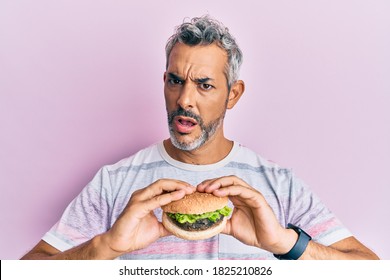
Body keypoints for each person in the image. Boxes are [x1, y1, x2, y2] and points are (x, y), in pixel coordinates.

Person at [21, 15, 378, 260]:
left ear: (233, 94)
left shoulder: (279, 184)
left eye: (205, 85)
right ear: (165, 83)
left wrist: (286, 242)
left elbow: (370, 269)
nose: (185, 100)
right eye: (176, 81)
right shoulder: (114, 181)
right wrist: (106, 246)